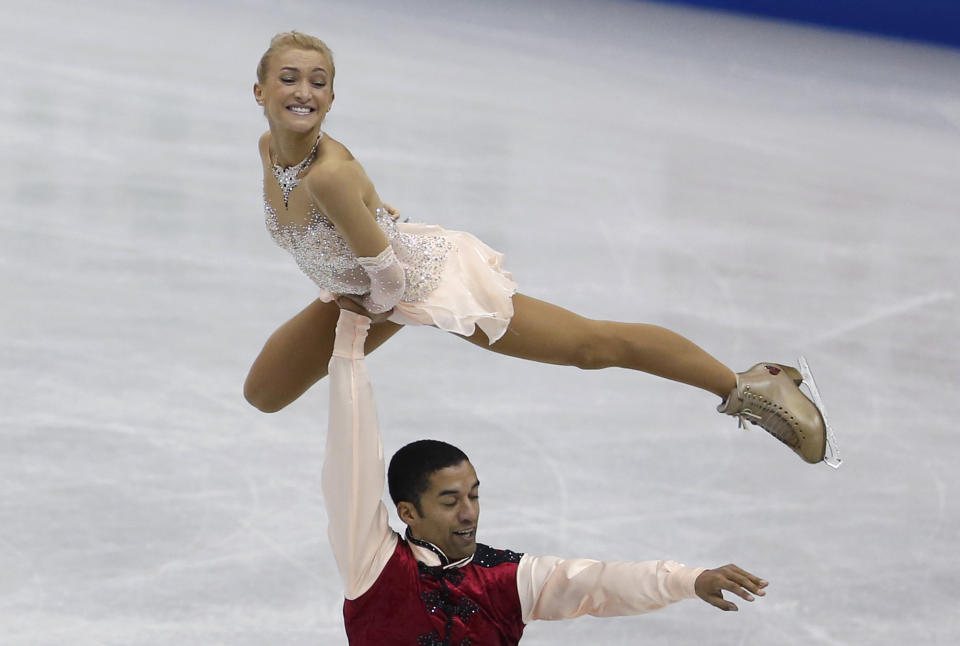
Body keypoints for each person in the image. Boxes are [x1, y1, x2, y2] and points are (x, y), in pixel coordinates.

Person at [245, 31, 839, 466]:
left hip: (420, 285)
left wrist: (364, 301)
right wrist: (374, 217)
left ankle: (749, 386)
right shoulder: (271, 150)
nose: (304, 91)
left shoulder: (330, 175)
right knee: (266, 392)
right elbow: (357, 208)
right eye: (289, 79)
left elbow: (392, 281)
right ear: (260, 91)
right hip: (363, 286)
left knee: (590, 346)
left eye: (318, 82)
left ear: (332, 96)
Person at [324, 303, 768, 644]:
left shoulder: (504, 578)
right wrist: (350, 339)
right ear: (408, 512)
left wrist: (688, 580)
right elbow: (352, 458)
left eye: (473, 496)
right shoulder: (375, 567)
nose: (468, 513)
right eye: (449, 500)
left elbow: (598, 584)